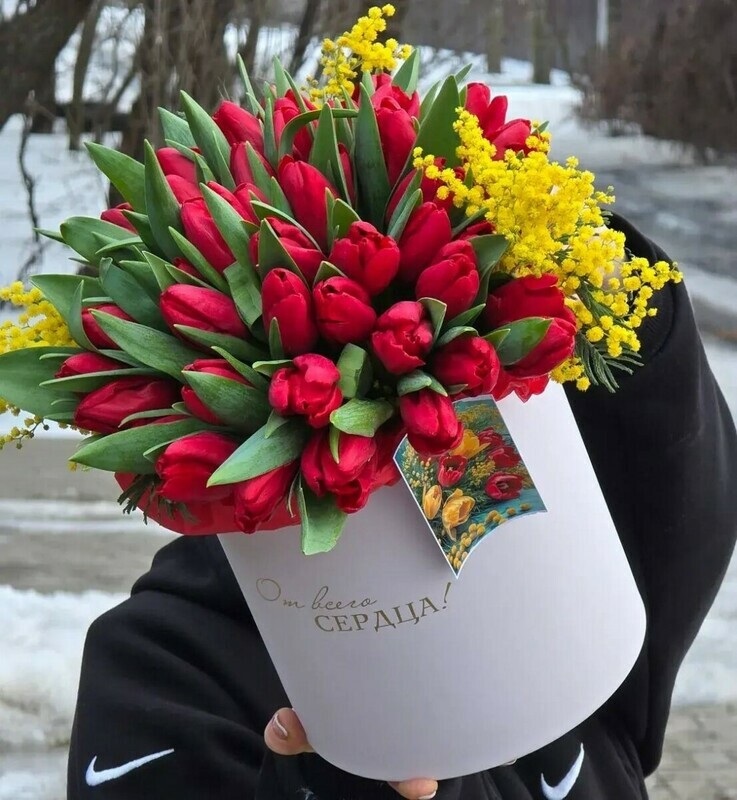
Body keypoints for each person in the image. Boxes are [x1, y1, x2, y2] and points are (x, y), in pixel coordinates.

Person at [67, 215, 737, 800]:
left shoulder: (564, 616)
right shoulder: (158, 663)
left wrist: (595, 274)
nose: (385, 462)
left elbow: (668, 491)